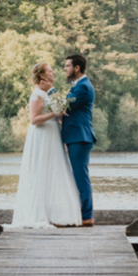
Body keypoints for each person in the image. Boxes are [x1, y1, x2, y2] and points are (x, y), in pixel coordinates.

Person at [12, 60, 83, 229]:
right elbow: (34, 120)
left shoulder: (50, 93)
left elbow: (59, 108)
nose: (54, 73)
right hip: (42, 135)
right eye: (50, 71)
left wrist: (58, 113)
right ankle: (39, 213)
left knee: (55, 169)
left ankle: (57, 214)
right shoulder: (36, 95)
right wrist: (54, 113)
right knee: (41, 170)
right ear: (43, 75)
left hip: (53, 134)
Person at [60, 53, 96, 227]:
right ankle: (81, 214)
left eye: (67, 66)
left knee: (81, 177)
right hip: (76, 136)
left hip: (80, 137)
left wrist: (49, 90)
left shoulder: (83, 87)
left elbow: (63, 105)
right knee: (78, 176)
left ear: (77, 68)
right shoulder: (78, 85)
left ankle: (87, 216)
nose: (64, 69)